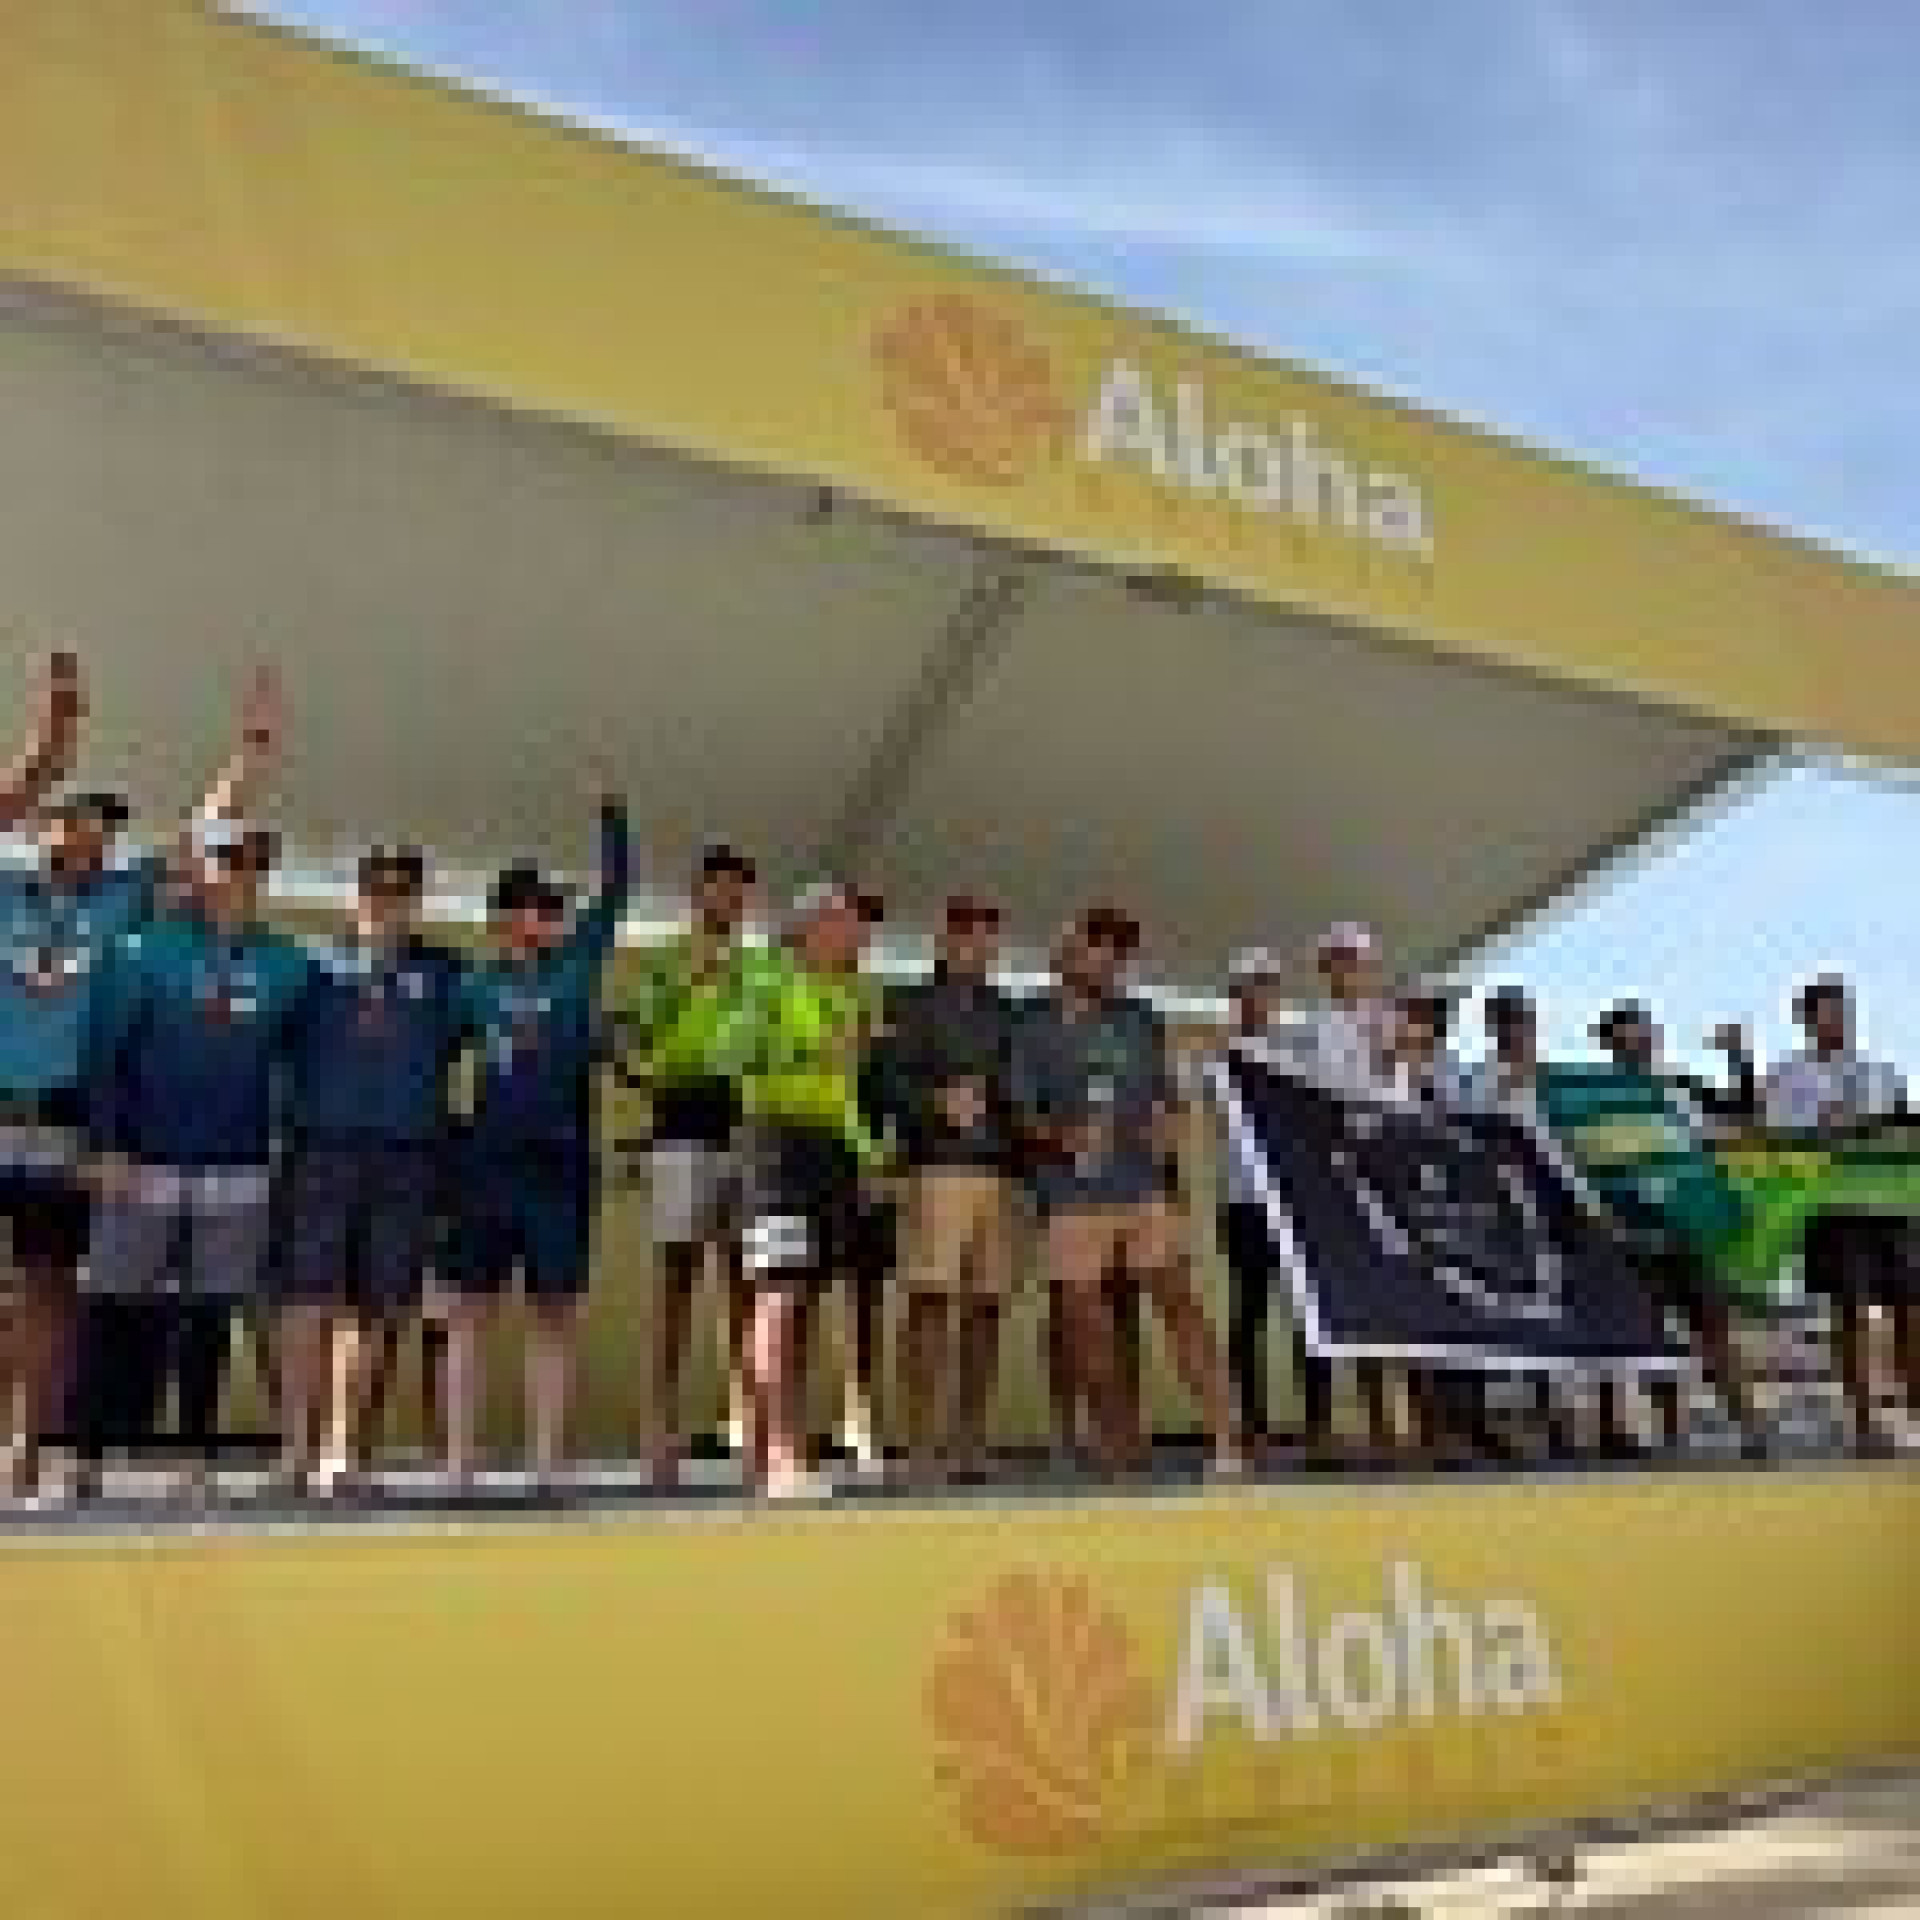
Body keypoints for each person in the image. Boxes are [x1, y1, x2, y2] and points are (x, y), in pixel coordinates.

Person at [0, 656, 276, 1500]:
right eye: (76, 821)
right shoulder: (6, 891)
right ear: (45, 825)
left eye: (105, 828)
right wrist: (52, 743)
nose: (91, 837)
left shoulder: (124, 898)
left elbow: (204, 835)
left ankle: (28, 1449)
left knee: (52, 1288)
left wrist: (250, 756)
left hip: (69, 1123)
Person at [70, 820, 312, 1504]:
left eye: (258, 864)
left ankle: (197, 1461)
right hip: (141, 1161)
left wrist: (282, 1143)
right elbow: (103, 1055)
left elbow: (300, 1059)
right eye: (232, 861)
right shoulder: (142, 950)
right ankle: (83, 1458)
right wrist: (104, 1145)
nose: (244, 876)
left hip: (235, 1164)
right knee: (112, 1307)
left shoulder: (288, 962)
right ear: (201, 869)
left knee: (210, 1316)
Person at [442, 794, 632, 1495]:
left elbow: (615, 892)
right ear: (506, 919)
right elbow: (430, 1059)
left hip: (559, 1169)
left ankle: (546, 1463)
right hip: (487, 1168)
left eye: (559, 909)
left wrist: (611, 815)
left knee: (555, 1313)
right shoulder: (474, 985)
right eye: (542, 908)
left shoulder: (577, 968)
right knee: (469, 1310)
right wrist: (449, 1138)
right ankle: (460, 1463)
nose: (556, 919)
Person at [1012, 906, 1242, 1480]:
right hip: (1070, 1195)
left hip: (1143, 1188)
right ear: (1064, 953)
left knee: (1181, 1308)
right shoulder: (1031, 1024)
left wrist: (1168, 1123)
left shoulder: (1143, 1020)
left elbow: (1172, 1099)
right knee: (1088, 1322)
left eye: (1117, 949)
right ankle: (1115, 1447)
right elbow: (1019, 1115)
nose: (1108, 957)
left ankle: (1227, 1439)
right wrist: (1062, 1137)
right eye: (1096, 944)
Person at [276, 844, 470, 1497]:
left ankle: (346, 1451)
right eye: (377, 887)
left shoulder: (446, 970)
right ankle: (295, 1452)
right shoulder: (312, 962)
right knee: (308, 1300)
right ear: (357, 893)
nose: (389, 900)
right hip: (324, 1148)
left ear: (418, 897)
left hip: (406, 1155)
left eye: (403, 889)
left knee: (378, 1306)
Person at [1552, 1001, 1769, 1458]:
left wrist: (1739, 1059)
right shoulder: (1588, 1099)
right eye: (1626, 1040)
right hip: (1632, 1235)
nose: (1638, 1045)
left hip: (1687, 1231)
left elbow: (1745, 1117)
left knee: (1714, 1329)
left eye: (1644, 1036)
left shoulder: (1680, 1088)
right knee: (1654, 1335)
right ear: (1609, 1046)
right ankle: (1669, 1436)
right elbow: (1566, 1153)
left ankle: (1751, 1430)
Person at [619, 843, 772, 1489]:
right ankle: (662, 1432)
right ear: (697, 892)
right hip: (680, 1131)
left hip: (743, 1133)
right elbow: (629, 1043)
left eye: (739, 889)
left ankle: (752, 1432)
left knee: (744, 1282)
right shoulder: (663, 961)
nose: (729, 899)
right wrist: (690, 990)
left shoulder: (763, 968)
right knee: (675, 1280)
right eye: (719, 887)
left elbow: (773, 1042)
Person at [733, 882, 888, 1501]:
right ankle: (776, 1457)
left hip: (830, 1150)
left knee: (807, 1297)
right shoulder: (766, 976)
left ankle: (774, 1450)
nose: (863, 934)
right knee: (779, 1295)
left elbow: (842, 1090)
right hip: (776, 1143)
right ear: (817, 924)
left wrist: (868, 1154)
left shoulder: (849, 994)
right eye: (854, 921)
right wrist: (806, 1046)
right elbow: (731, 1051)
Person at [876, 895, 1021, 1487]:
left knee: (986, 1306)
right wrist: (936, 1100)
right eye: (967, 935)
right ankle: (918, 1442)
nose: (978, 947)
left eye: (988, 936)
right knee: (930, 1298)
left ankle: (970, 1438)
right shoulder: (908, 1002)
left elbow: (1026, 1089)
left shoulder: (1009, 1012)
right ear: (944, 939)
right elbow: (888, 1079)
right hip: (934, 1167)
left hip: (999, 1173)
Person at [1763, 975, 1915, 1452]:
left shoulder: (1882, 1073)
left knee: (1908, 1311)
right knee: (1849, 1311)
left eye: (1843, 1011)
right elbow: (1778, 1138)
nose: (1838, 1021)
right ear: (1805, 1020)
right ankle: (1864, 1421)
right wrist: (1821, 1127)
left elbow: (1900, 1129)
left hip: (1889, 1203)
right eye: (1827, 1012)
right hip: (1831, 1206)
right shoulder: (1787, 1077)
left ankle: (1913, 1409)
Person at [1289, 922, 1401, 1464]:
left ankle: (1387, 1427)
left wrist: (1391, 1051)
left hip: (1385, 1176)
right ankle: (1322, 1431)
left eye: (1353, 959)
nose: (1344, 969)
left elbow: (1400, 1096)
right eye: (1334, 960)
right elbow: (1306, 1103)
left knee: (1386, 1300)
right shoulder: (1308, 1029)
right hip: (1330, 1179)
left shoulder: (1394, 1023)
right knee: (1323, 1304)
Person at [1197, 947, 1292, 1458]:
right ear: (1235, 995)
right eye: (1252, 987)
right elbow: (1219, 1115)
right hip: (1243, 1199)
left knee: (1303, 1316)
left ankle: (1316, 1426)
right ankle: (1248, 1424)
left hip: (1296, 1202)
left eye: (1269, 986)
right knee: (1249, 1310)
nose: (1262, 996)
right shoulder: (1218, 1056)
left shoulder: (1295, 1053)